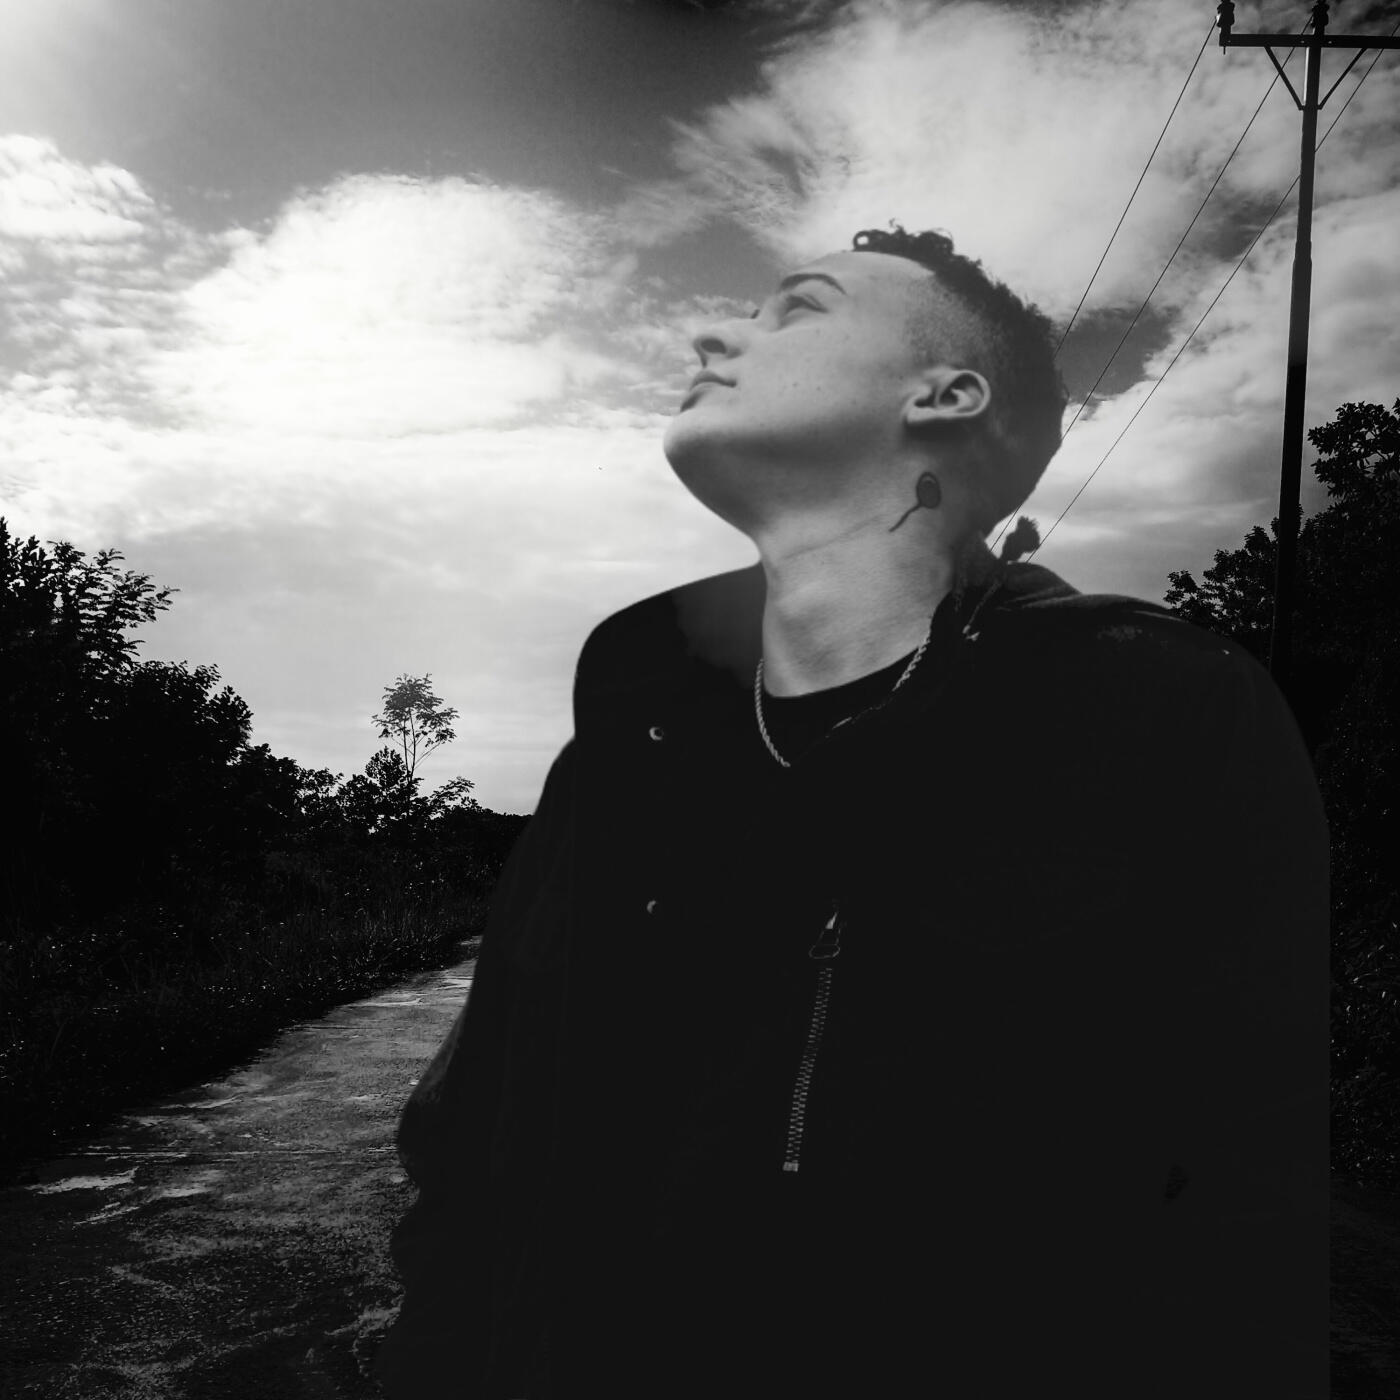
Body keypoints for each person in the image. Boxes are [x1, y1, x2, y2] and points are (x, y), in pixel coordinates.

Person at [373, 225, 1329, 1399]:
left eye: (798, 308)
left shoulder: (1158, 715)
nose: (710, 332)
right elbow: (475, 1156)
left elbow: (1244, 1210)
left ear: (944, 395)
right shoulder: (627, 736)